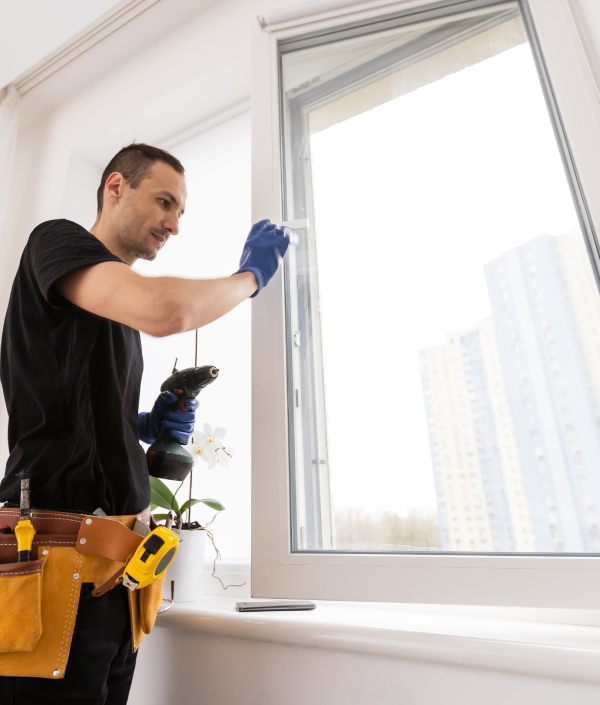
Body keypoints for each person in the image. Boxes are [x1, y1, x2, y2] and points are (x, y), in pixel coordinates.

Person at [0, 143, 290, 704]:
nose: (174, 224)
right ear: (115, 188)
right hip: (56, 572)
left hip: (116, 585)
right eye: (164, 202)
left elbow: (65, 408)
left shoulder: (113, 313)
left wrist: (142, 425)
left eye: (181, 212)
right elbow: (169, 312)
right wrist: (251, 276)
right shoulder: (55, 242)